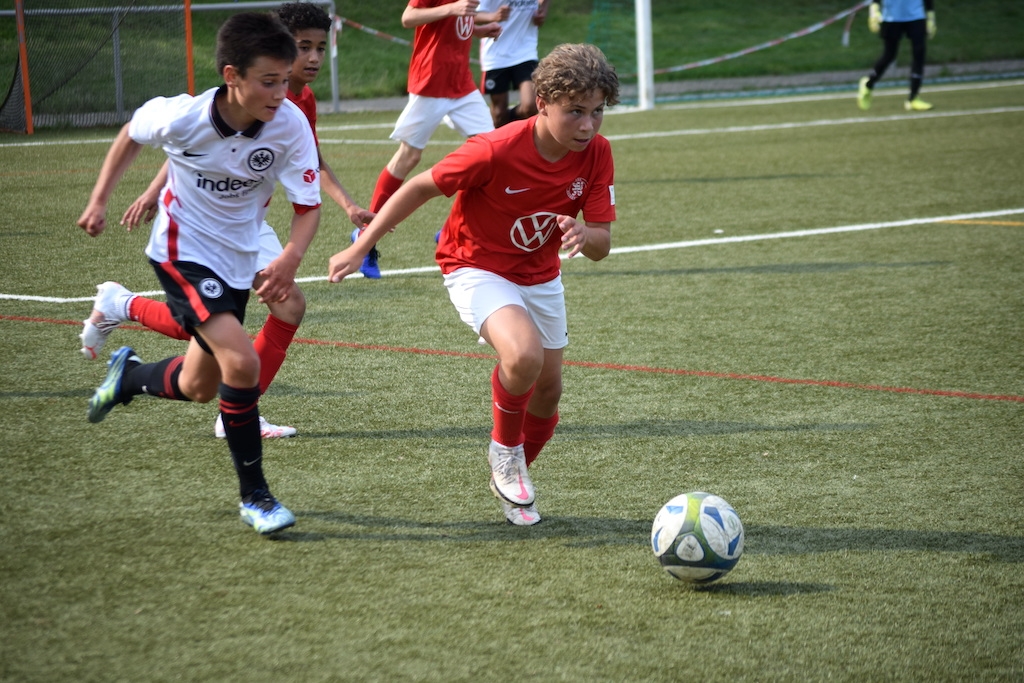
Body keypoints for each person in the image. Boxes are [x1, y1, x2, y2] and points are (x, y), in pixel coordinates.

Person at [328, 43, 619, 526]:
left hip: (540, 274)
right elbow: (420, 186)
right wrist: (363, 245)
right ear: (542, 102)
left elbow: (602, 244)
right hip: (475, 265)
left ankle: (513, 482)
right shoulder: (494, 149)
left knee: (548, 392)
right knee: (522, 355)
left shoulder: (597, 153)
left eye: (597, 112)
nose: (588, 125)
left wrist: (585, 235)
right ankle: (505, 453)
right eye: (575, 112)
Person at [79, 2, 374, 440]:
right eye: (302, 47)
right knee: (238, 322)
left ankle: (123, 311)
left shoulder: (298, 103)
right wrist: (152, 190)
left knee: (223, 341)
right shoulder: (241, 95)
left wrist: (346, 204)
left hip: (247, 222)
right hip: (203, 228)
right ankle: (239, 422)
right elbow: (196, 144)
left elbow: (307, 162)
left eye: (319, 47)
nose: (312, 58)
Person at [76, 12, 322, 535]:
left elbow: (307, 207)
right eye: (269, 81)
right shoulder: (182, 116)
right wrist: (99, 200)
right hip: (180, 250)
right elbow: (131, 134)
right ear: (232, 75)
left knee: (198, 385)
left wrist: (289, 258)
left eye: (285, 80)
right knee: (241, 361)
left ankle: (128, 377)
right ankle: (256, 497)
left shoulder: (289, 124)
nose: (281, 93)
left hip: (238, 257)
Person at [350, 0, 509, 279]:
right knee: (409, 157)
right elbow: (409, 17)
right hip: (430, 82)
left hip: (461, 84)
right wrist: (452, 9)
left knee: (492, 154)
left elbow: (454, 25)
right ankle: (366, 238)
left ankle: (452, 230)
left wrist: (479, 30)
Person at [478, 0, 549, 128]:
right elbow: (470, 16)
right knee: (499, 114)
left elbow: (543, 5)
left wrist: (542, 11)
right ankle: (499, 128)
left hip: (526, 52)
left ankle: (504, 124)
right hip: (495, 55)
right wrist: (493, 16)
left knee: (530, 106)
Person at [857, 0, 937, 111]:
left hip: (916, 16)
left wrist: (931, 17)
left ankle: (913, 98)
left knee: (919, 54)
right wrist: (874, 10)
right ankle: (868, 84)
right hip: (891, 17)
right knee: (889, 55)